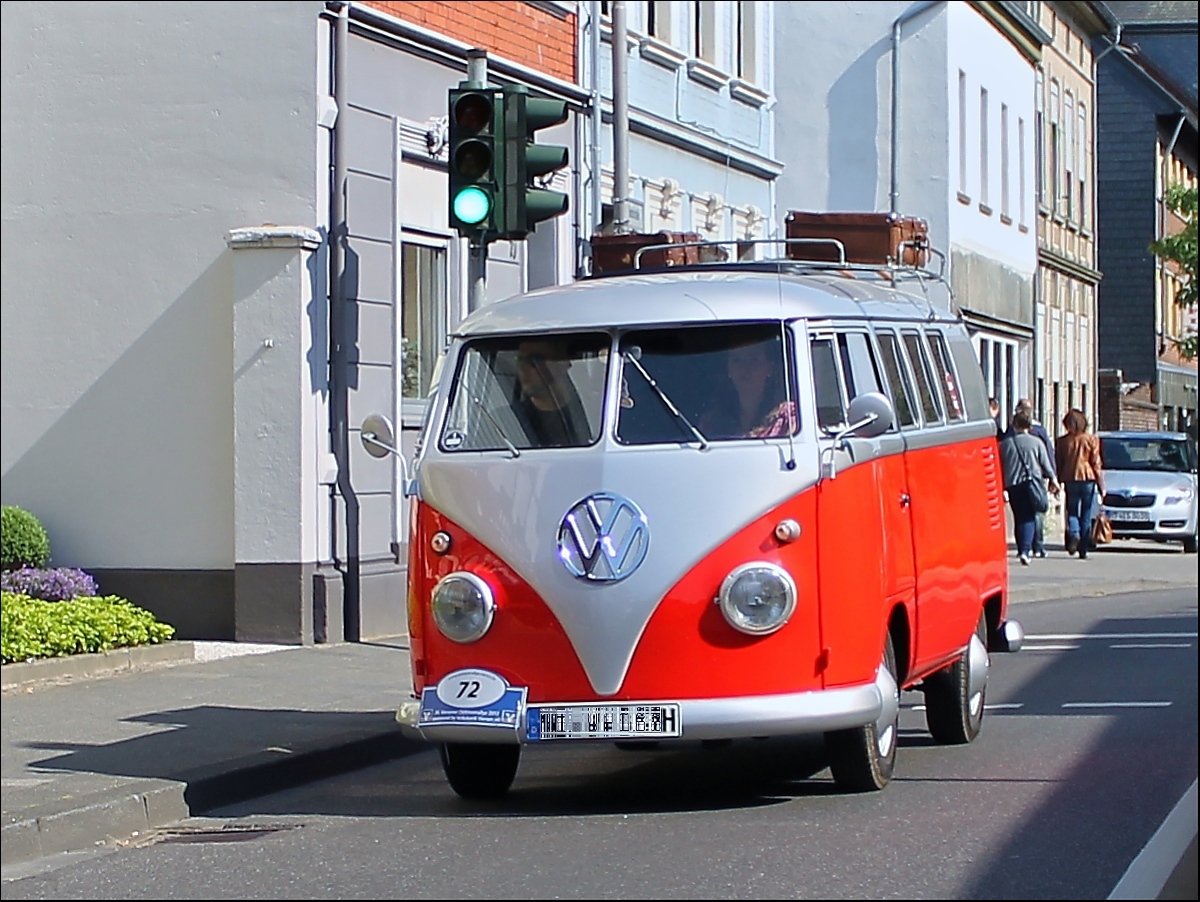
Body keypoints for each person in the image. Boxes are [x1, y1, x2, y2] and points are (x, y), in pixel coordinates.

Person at [699, 340, 796, 439]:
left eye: (754, 360)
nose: (744, 367)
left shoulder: (789, 417)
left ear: (770, 368)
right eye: (736, 360)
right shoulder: (711, 422)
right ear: (728, 368)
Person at [1000, 409, 1060, 565]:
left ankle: (1022, 548)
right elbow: (1046, 464)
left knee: (1019, 516)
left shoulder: (1004, 444)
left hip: (1012, 484)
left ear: (1014, 424)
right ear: (1029, 426)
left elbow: (1000, 466)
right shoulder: (1036, 443)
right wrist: (1053, 480)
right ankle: (1026, 551)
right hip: (1032, 483)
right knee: (1029, 517)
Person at [509, 338, 591, 447]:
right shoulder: (506, 420)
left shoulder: (598, 415)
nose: (524, 369)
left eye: (535, 361)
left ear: (563, 363)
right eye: (520, 361)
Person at [1056, 408, 1106, 560]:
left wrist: (1057, 481)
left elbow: (1059, 463)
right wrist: (1101, 485)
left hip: (1070, 478)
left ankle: (1074, 533)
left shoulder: (1063, 441)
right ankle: (1083, 548)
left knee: (1072, 511)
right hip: (1088, 479)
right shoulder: (1091, 440)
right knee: (1086, 512)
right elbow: (1096, 463)